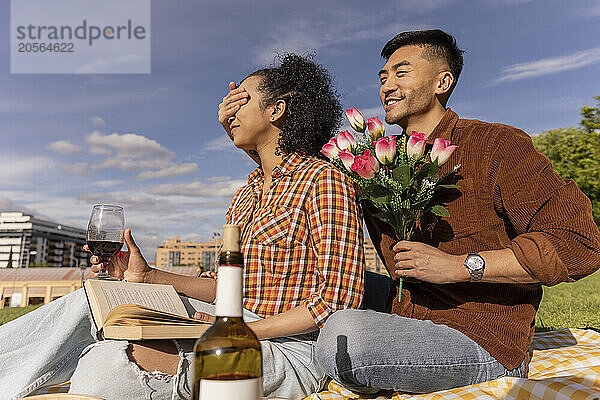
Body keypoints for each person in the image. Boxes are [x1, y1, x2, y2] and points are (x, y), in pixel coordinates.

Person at [0, 54, 365, 400]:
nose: (229, 110)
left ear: (277, 110)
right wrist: (149, 277)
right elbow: (229, 287)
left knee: (102, 367)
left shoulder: (325, 182)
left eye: (241, 100)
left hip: (289, 347)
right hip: (236, 322)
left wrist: (237, 329)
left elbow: (336, 302)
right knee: (94, 299)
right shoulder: (248, 195)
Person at [310, 29, 600, 394]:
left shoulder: (496, 145)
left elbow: (579, 244)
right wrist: (249, 129)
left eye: (401, 73)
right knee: (326, 291)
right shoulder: (377, 164)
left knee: (344, 335)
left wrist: (459, 266)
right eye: (383, 77)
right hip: (407, 306)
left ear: (442, 82)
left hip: (479, 332)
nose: (386, 86)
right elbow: (301, 173)